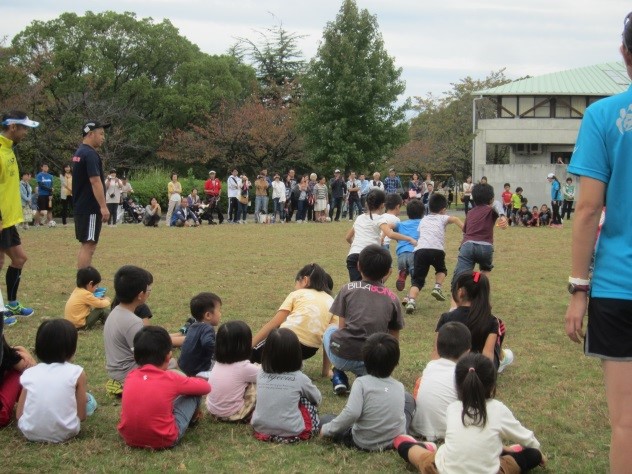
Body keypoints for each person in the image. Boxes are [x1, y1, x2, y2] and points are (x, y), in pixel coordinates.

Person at [564, 15, 632, 471]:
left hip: (618, 285)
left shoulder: (604, 116)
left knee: (626, 423)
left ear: (625, 55)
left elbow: (588, 210)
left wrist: (577, 290)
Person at [394, 353, 545, 474]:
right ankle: (507, 450)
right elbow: (527, 438)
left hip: (442, 469)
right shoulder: (498, 409)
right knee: (532, 456)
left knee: (416, 454)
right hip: (489, 468)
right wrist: (538, 452)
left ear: (457, 385)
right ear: (492, 385)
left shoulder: (453, 408)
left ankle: (407, 442)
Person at [324, 245, 404, 395]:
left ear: (358, 266)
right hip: (374, 362)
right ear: (388, 271)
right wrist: (389, 365)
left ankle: (338, 374)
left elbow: (342, 328)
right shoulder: (393, 298)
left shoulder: (347, 289)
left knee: (330, 330)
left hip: (342, 356)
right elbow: (394, 338)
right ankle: (366, 377)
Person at [118, 326, 211, 449]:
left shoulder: (130, 376)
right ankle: (193, 421)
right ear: (169, 356)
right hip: (164, 440)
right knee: (194, 394)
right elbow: (205, 388)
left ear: (135, 356)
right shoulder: (171, 378)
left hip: (129, 438)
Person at [320, 333, 414, 451]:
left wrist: (327, 429)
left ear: (364, 359)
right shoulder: (399, 386)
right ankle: (403, 436)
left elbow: (352, 413)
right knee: (409, 399)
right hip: (392, 442)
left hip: (363, 442)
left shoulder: (361, 383)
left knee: (325, 419)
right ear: (396, 363)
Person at [17, 319, 96, 443]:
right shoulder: (77, 372)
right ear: (71, 348)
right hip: (67, 431)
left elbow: (19, 414)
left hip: (29, 432)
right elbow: (81, 416)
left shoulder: (30, 373)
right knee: (91, 401)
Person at [251, 263, 336, 376]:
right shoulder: (332, 302)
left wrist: (250, 346)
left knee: (250, 355)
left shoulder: (297, 294)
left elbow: (274, 323)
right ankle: (290, 366)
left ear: (305, 280)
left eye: (296, 282)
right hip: (309, 350)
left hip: (284, 343)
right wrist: (326, 370)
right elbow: (329, 338)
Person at [0, 110, 39, 319]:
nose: (25, 132)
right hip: (1, 218)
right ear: (12, 126)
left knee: (20, 259)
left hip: (9, 219)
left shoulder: (9, 149)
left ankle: (12, 303)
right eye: (24, 128)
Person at [251, 328, 322, 443]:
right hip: (293, 430)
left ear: (267, 352)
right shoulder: (300, 378)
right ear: (296, 354)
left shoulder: (260, 373)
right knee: (305, 400)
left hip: (259, 427)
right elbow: (317, 399)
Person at [436, 272, 512, 372]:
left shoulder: (446, 318)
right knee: (500, 333)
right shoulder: (491, 321)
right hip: (477, 372)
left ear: (460, 292)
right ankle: (502, 358)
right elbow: (487, 356)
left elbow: (436, 352)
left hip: (452, 369)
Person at [410, 322, 471, 441]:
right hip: (449, 432)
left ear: (437, 348)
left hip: (419, 430)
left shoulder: (430, 366)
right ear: (468, 351)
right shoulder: (463, 374)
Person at [405, 194, 464, 313]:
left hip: (420, 251)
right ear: (443, 210)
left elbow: (421, 234)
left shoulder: (423, 220)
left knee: (418, 280)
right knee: (441, 270)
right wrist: (466, 230)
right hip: (437, 250)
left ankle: (411, 301)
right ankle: (437, 287)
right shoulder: (443, 217)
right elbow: (455, 219)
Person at [450, 183, 508, 305]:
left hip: (468, 246)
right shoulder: (491, 209)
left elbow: (465, 231)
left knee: (460, 278)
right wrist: (502, 216)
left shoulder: (470, 213)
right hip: (486, 248)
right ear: (491, 199)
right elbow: (497, 204)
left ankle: (454, 308)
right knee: (485, 270)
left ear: (473, 199)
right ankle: (481, 296)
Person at [345, 189, 416, 282]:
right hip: (369, 257)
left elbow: (348, 237)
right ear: (383, 205)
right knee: (373, 284)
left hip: (353, 256)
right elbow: (390, 234)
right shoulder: (379, 219)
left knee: (356, 287)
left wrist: (354, 245)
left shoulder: (359, 218)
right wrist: (409, 239)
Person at [103, 265, 153, 397]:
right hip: (127, 374)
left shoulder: (114, 313)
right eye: (148, 289)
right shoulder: (133, 322)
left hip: (114, 371)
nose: (149, 292)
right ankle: (126, 386)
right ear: (140, 295)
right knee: (171, 366)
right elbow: (145, 358)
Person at [72, 120, 111, 269]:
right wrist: (103, 206)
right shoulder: (90, 154)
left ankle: (85, 283)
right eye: (101, 134)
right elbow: (95, 181)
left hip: (81, 206)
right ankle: (83, 286)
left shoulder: (79, 152)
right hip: (90, 208)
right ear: (90, 134)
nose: (103, 137)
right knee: (89, 246)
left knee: (87, 245)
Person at [206, 321, 260, 422]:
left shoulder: (217, 363)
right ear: (245, 346)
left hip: (213, 410)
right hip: (233, 413)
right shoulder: (244, 367)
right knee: (258, 384)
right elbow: (265, 375)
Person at [0, 320, 36, 426]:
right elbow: (30, 369)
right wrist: (25, 352)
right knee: (20, 373)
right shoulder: (6, 354)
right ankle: (36, 404)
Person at [178, 292, 221, 378]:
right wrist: (220, 351)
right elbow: (208, 343)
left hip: (183, 367)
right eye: (219, 311)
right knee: (223, 369)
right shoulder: (207, 328)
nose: (220, 314)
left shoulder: (193, 326)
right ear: (208, 315)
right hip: (198, 370)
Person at [395, 199, 424, 294]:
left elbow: (391, 227)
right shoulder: (423, 223)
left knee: (404, 268)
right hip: (414, 253)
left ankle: (402, 274)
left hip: (401, 254)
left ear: (407, 213)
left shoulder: (401, 224)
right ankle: (410, 298)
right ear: (423, 212)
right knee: (416, 279)